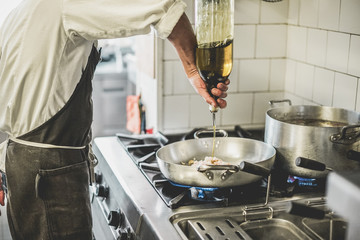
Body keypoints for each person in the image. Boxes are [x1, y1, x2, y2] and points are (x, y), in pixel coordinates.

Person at [0, 0, 229, 239]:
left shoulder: (18, 13)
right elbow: (164, 9)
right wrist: (194, 71)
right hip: (49, 175)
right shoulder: (65, 4)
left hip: (18, 167)